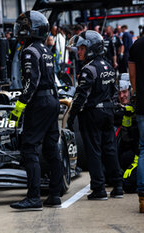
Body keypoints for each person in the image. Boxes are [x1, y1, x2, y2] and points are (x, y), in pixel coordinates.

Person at [9, 11, 63, 211]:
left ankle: (33, 197)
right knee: (51, 148)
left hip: (39, 102)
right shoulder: (46, 49)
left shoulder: (29, 51)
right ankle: (55, 195)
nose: (20, 29)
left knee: (29, 147)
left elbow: (31, 82)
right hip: (51, 100)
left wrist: (18, 108)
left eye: (24, 26)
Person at [67, 30, 123, 200]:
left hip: (92, 114)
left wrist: (71, 117)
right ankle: (118, 186)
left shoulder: (88, 69)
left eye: (82, 48)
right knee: (110, 149)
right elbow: (114, 91)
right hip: (108, 112)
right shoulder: (108, 66)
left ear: (91, 48)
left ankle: (99, 188)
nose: (80, 52)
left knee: (94, 151)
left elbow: (80, 96)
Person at [128, 35, 144, 213]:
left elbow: (132, 76)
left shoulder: (136, 45)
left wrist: (140, 94)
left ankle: (143, 196)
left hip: (142, 105)